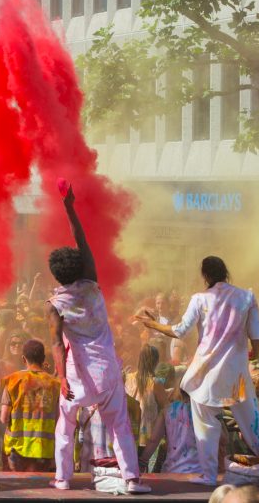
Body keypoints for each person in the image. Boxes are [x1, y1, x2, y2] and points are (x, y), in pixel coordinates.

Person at [135, 256, 259, 486]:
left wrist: (153, 324)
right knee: (253, 422)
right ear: (225, 272)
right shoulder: (246, 297)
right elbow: (256, 334)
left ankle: (208, 475)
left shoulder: (200, 299)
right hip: (236, 374)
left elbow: (180, 331)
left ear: (205, 276)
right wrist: (253, 353)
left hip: (206, 374)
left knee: (206, 424)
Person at [46, 186, 149, 493]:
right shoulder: (92, 283)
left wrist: (62, 377)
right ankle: (131, 479)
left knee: (65, 427)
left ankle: (63, 478)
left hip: (76, 376)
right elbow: (82, 240)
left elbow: (54, 343)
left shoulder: (54, 304)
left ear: (55, 275)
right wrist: (69, 207)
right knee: (119, 426)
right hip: (106, 372)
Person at [0, 339, 58, 472]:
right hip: (44, 451)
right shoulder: (55, 384)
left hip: (16, 450)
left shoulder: (13, 381)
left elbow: (3, 418)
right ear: (43, 359)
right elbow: (58, 418)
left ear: (23, 358)